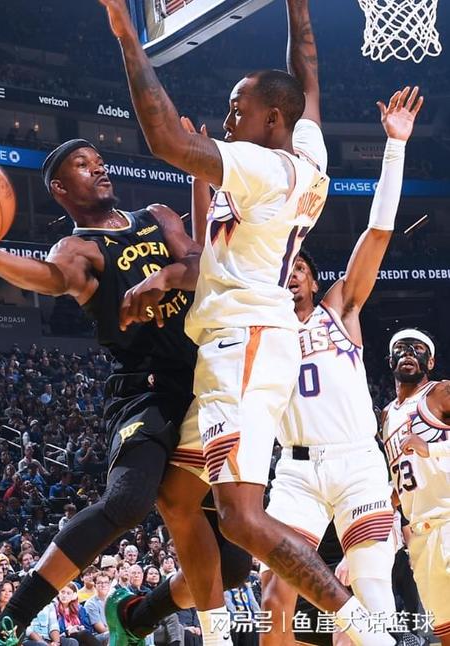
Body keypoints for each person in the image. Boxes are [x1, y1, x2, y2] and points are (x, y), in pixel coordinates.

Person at [97, 0, 388, 644]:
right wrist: (298, 10)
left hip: (245, 346)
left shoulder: (264, 168)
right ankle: (216, 633)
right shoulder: (304, 152)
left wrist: (126, 36)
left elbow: (165, 140)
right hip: (240, 343)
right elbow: (307, 77)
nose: (229, 120)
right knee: (177, 494)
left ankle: (371, 632)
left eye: (238, 109)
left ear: (272, 119)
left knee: (239, 517)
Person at [0, 129, 249, 644]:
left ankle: (137, 616)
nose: (99, 167)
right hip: (145, 391)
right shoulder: (78, 248)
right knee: (128, 502)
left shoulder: (157, 216)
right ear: (60, 187)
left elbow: (200, 263)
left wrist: (164, 276)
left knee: (232, 567)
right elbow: (50, 277)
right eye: (82, 163)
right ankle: (8, 626)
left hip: (206, 387)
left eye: (98, 159)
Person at [260, 84, 423, 645]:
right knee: (274, 594)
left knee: (374, 591)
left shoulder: (340, 310)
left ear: (313, 278)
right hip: (295, 470)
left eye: (301, 267)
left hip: (356, 461)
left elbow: (378, 232)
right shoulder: (261, 326)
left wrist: (395, 147)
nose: (292, 274)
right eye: (285, 267)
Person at [381, 329, 450, 644]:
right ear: (390, 360)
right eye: (401, 347)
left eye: (417, 348)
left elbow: (424, 453)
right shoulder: (386, 415)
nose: (408, 352)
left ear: (430, 362)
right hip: (422, 535)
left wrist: (431, 448)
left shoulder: (441, 391)